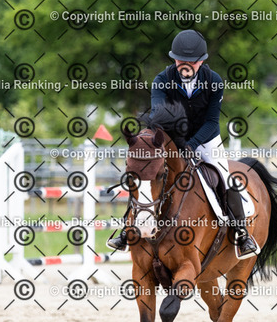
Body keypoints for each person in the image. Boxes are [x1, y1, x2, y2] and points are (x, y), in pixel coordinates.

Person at [108, 29, 259, 259]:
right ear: (174, 59)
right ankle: (127, 230)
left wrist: (193, 144)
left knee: (224, 177)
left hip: (206, 139)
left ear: (201, 61)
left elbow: (211, 122)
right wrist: (178, 145)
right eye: (180, 61)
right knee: (145, 174)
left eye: (191, 62)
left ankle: (241, 232)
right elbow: (159, 116)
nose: (185, 66)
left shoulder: (214, 81)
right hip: (171, 140)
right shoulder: (162, 81)